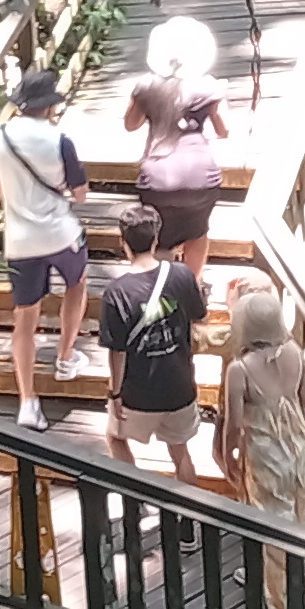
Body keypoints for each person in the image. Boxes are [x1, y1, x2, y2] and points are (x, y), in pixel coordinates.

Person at [0, 67, 90, 428]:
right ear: (50, 106)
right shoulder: (61, 140)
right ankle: (65, 355)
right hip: (60, 233)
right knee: (78, 283)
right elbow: (81, 194)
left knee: (24, 317)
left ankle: (27, 401)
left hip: (20, 239)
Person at [217, 286, 305, 609]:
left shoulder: (240, 369)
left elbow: (233, 423)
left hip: (265, 454)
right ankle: (272, 581)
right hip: (297, 445)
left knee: (274, 527)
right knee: (297, 517)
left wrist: (228, 453)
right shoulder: (294, 351)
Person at [94, 199, 209, 470]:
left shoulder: (117, 292)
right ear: (156, 239)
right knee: (181, 453)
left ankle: (136, 500)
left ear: (124, 242)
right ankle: (188, 509)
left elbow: (117, 351)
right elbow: (199, 316)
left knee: (115, 438)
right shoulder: (182, 275)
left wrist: (115, 393)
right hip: (179, 386)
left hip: (138, 392)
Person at [126, 51, 229, 278]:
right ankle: (191, 285)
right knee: (198, 232)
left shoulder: (147, 86)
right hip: (200, 175)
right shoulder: (208, 86)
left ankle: (158, 286)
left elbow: (131, 124)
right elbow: (224, 129)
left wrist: (143, 103)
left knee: (157, 234)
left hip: (157, 176)